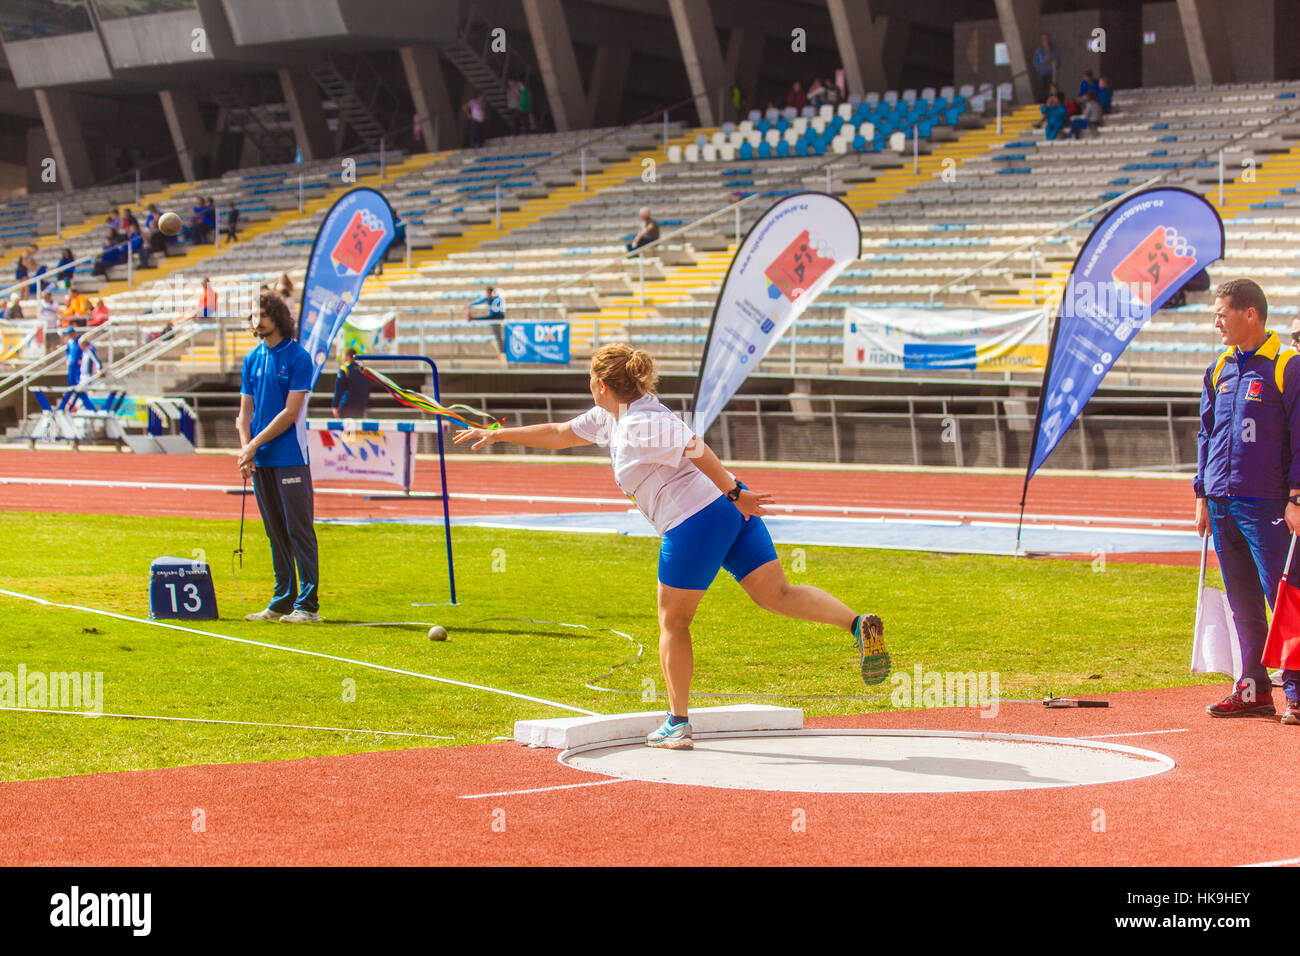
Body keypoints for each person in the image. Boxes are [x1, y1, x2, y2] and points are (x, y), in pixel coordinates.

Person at [452, 344, 891, 750]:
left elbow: (695, 446)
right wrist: (498, 434)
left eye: (590, 378)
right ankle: (857, 626)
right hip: (725, 512)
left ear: (602, 385)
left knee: (673, 622)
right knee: (777, 594)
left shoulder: (643, 422)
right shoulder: (614, 416)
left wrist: (736, 491)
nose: (588, 385)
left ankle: (677, 723)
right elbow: (560, 432)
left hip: (697, 518)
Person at [1195, 279, 1300, 722]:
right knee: (1243, 604)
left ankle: (1296, 689)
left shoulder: (1287, 365)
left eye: (1222, 313)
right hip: (1222, 502)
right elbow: (1206, 432)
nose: (1216, 321)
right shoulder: (1219, 367)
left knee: (1288, 598)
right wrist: (1202, 493)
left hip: (1268, 505)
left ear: (1250, 314)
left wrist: (1296, 496)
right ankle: (1254, 686)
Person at [236, 291, 321, 624]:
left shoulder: (298, 357)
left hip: (290, 457)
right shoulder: (252, 358)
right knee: (274, 531)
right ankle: (282, 600)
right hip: (260, 458)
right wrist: (247, 451)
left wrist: (251, 446)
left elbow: (290, 412)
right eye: (253, 315)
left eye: (262, 314)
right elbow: (244, 413)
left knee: (298, 530)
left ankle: (308, 606)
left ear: (277, 317)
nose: (257, 321)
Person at [465, 283, 506, 359]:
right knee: (499, 337)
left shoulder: (496, 299)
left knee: (500, 337)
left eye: (488, 293)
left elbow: (496, 312)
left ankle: (503, 354)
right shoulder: (488, 298)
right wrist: (470, 304)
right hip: (493, 318)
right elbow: (479, 301)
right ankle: (502, 354)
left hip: (497, 318)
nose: (487, 295)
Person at [332, 347, 371, 419]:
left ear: (348, 356)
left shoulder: (345, 369)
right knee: (358, 429)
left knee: (346, 429)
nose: (342, 359)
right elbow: (367, 388)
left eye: (343, 356)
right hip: (360, 406)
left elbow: (339, 389)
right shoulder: (362, 369)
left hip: (346, 405)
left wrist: (335, 406)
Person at [1033, 33, 1059, 101]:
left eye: (1046, 39)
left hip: (1051, 73)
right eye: (1044, 39)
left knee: (1052, 89)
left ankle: (1053, 102)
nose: (1045, 40)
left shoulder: (1054, 50)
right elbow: (1035, 62)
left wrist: (1053, 62)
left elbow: (1058, 62)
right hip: (1042, 73)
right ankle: (1043, 103)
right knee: (1042, 90)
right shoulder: (1038, 51)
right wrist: (1041, 65)